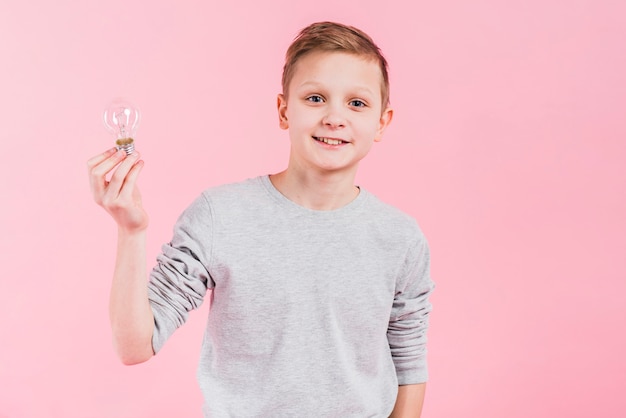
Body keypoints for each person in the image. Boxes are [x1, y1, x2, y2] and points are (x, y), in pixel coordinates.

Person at [88, 21, 434, 417]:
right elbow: (134, 345)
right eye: (316, 98)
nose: (335, 117)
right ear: (284, 110)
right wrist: (131, 231)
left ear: (382, 123)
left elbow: (408, 359)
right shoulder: (220, 216)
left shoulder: (400, 238)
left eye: (357, 103)